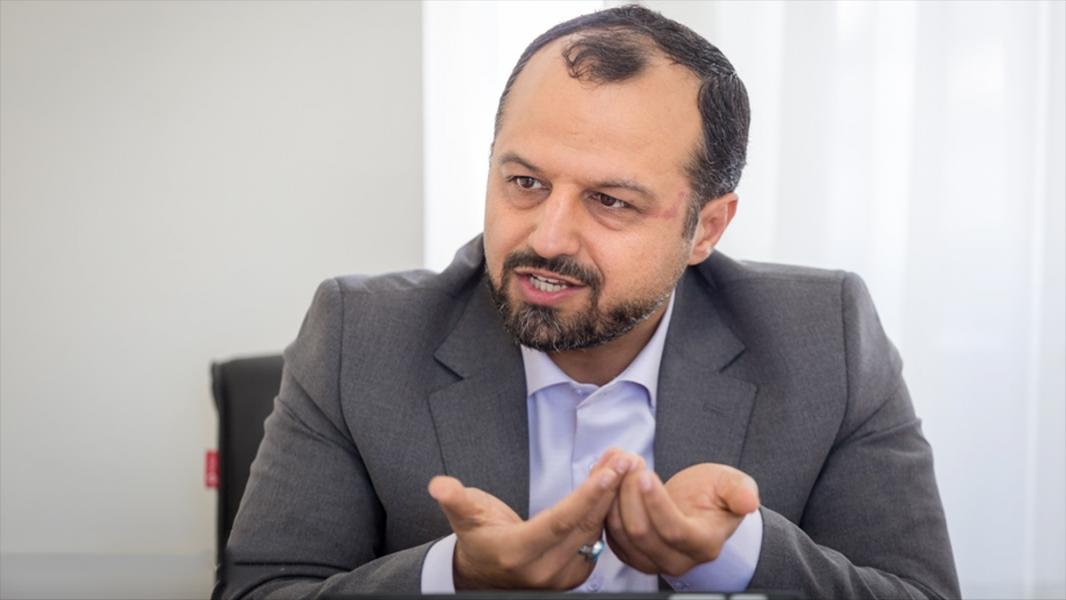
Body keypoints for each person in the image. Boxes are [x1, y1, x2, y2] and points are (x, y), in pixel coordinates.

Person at [217, 5, 959, 598]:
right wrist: (457, 577)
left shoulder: (826, 335)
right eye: (525, 182)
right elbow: (261, 589)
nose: (546, 237)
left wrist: (740, 553)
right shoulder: (359, 335)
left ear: (706, 228)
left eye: (610, 201)